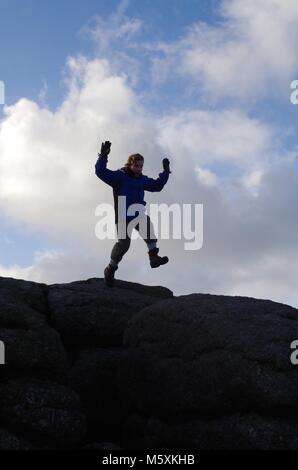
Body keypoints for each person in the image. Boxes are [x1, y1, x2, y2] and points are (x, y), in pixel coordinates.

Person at [95, 140, 171, 287]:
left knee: (148, 227)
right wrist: (103, 156)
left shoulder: (142, 179)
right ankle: (110, 269)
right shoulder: (120, 177)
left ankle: (153, 258)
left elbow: (157, 186)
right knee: (124, 245)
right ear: (130, 164)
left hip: (138, 214)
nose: (139, 169)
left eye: (141, 166)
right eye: (136, 165)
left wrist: (166, 172)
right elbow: (101, 172)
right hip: (123, 216)